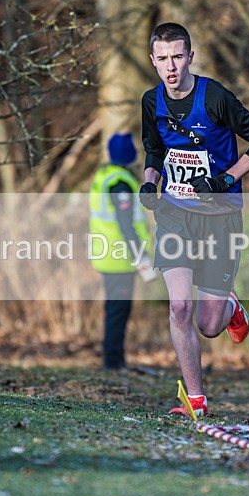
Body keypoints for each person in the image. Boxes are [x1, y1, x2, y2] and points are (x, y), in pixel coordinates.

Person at [138, 22, 249, 417]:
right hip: (175, 215)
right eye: (163, 59)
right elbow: (153, 150)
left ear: (190, 57)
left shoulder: (215, 97)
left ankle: (229, 307)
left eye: (178, 57)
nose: (171, 67)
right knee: (179, 307)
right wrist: (150, 182)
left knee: (208, 325)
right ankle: (195, 402)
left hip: (220, 217)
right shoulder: (151, 102)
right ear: (153, 61)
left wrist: (224, 178)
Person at [89, 133, 155, 371]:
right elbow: (126, 224)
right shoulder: (121, 183)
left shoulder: (104, 175)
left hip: (108, 255)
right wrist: (141, 258)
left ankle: (113, 360)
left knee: (115, 310)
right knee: (119, 311)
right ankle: (113, 362)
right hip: (120, 257)